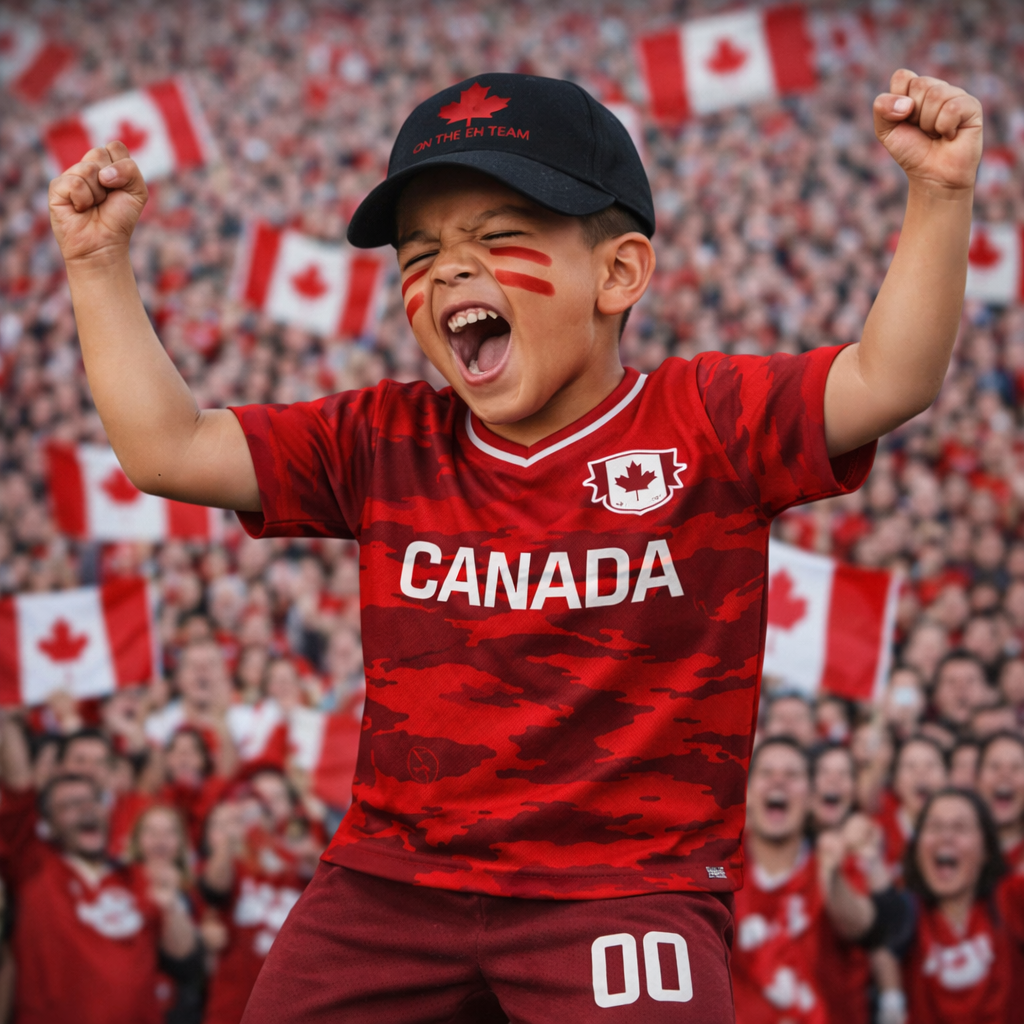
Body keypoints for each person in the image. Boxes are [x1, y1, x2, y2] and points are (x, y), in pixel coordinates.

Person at [48, 61, 982, 1022]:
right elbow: (168, 451)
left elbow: (890, 378)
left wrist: (941, 194)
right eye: (420, 253)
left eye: (498, 237)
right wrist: (95, 266)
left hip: (627, 886)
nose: (449, 269)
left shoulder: (707, 421)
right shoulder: (380, 438)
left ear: (618, 272)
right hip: (391, 884)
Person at [0, 773, 199, 1024]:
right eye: (70, 805)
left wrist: (171, 905)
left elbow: (186, 962)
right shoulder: (33, 866)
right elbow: (17, 787)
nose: (86, 809)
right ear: (48, 823)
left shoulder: (137, 877)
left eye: (93, 800)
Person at [732, 738, 882, 1024]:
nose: (779, 783)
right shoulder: (719, 869)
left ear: (813, 798)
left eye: (792, 775)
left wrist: (832, 876)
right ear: (747, 794)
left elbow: (860, 925)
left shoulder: (834, 861)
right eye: (766, 773)